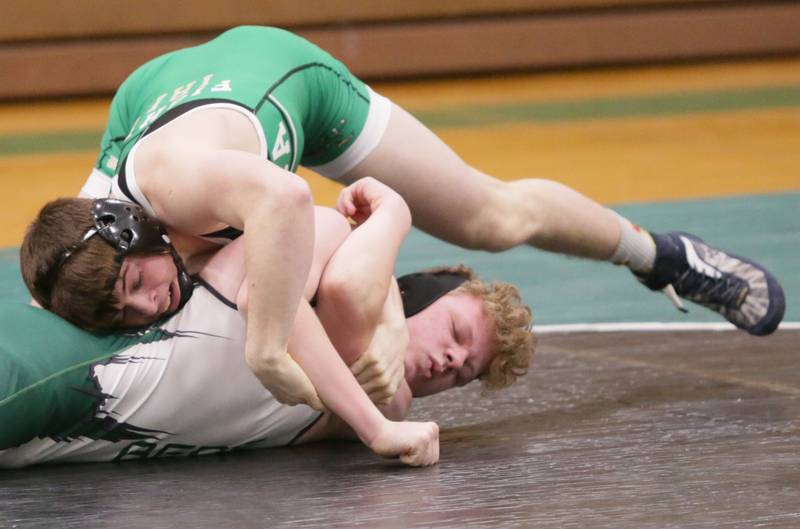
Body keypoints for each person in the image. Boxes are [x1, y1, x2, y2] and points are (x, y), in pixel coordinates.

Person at [73, 25, 782, 344]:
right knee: (179, 275)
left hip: (291, 79)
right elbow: (54, 269)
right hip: (152, 96)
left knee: (492, 217)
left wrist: (371, 328)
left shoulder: (200, 189)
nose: (143, 301)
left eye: (135, 286)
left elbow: (314, 221)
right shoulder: (104, 215)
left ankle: (660, 255)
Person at [2, 192, 534, 467]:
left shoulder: (373, 404)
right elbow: (350, 288)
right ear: (417, 294)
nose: (449, 362)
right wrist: (393, 211)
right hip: (41, 373)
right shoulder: (308, 238)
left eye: (466, 372)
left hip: (50, 439)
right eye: (457, 335)